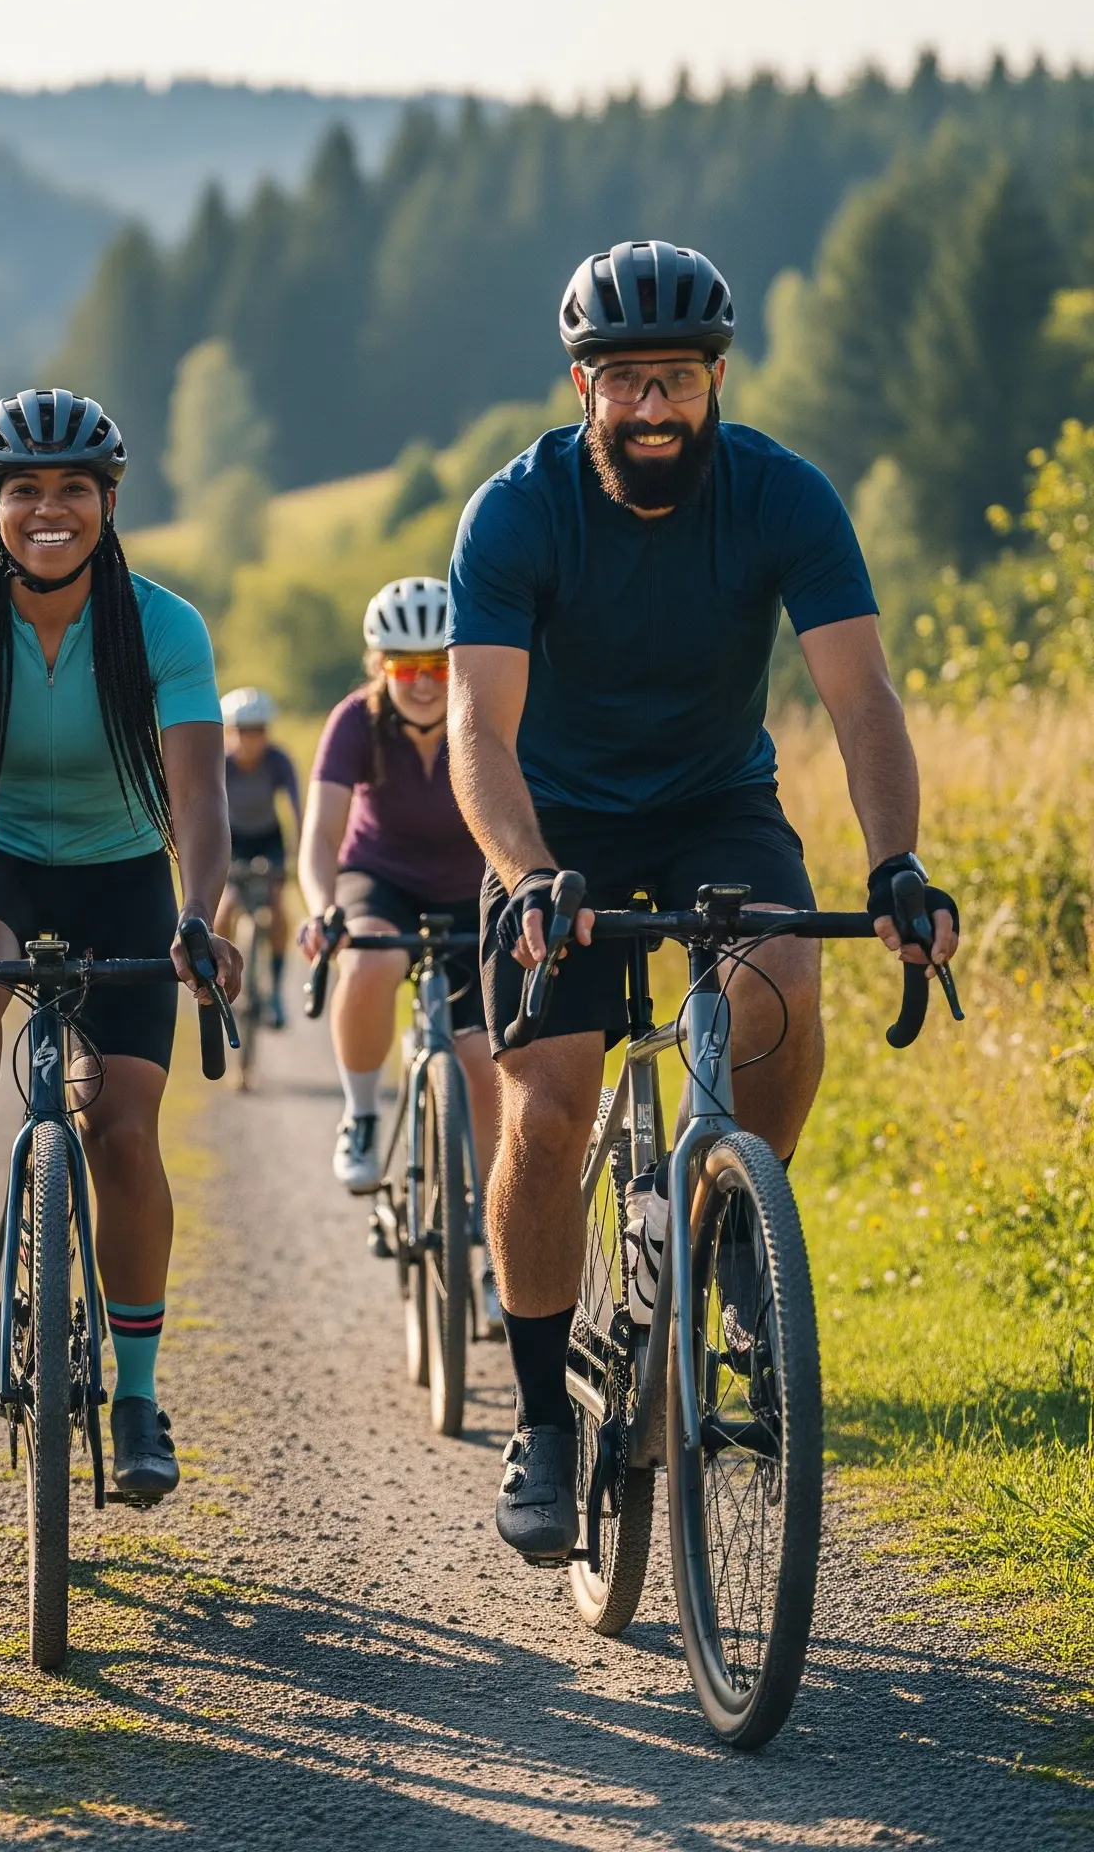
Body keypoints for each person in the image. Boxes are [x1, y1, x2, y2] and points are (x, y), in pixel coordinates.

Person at [447, 240, 959, 1561]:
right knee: (550, 1105)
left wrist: (893, 862)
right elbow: (478, 730)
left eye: (676, 377)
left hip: (714, 808)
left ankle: (737, 1233)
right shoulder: (515, 513)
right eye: (627, 382)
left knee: (786, 982)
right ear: (582, 386)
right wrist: (523, 875)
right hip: (550, 828)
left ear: (717, 376)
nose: (655, 407)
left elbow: (862, 699)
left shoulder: (784, 497)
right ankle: (544, 1422)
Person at [0, 387, 241, 1501]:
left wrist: (200, 910)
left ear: (109, 500)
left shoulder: (163, 625)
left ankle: (132, 1395)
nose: (49, 509)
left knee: (122, 1136)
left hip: (127, 868)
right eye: (23, 489)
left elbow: (200, 793)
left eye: (74, 487)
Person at [296, 580, 496, 1278]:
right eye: (404, 666)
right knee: (370, 962)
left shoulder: (488, 713)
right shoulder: (356, 722)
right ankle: (361, 1115)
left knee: (484, 1062)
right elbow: (320, 835)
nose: (422, 681)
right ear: (379, 665)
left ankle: (505, 1231)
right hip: (380, 877)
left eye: (438, 665)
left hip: (476, 891)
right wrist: (323, 906)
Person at [215, 685, 302, 1029]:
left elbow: (297, 808)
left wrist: (297, 851)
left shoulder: (278, 762)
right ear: (230, 732)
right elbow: (206, 808)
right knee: (225, 909)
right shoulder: (221, 765)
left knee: (278, 908)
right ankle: (218, 981)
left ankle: (276, 990)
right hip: (233, 841)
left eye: (258, 731)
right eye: (242, 731)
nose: (250, 740)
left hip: (269, 840)